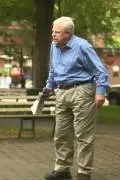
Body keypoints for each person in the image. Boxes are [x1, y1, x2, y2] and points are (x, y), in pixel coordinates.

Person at [43, 17, 108, 180]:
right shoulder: (54, 46)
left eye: (57, 32)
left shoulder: (82, 46)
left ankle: (84, 173)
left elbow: (101, 71)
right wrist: (49, 86)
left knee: (83, 135)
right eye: (52, 31)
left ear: (68, 33)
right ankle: (62, 169)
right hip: (61, 92)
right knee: (61, 134)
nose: (53, 35)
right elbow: (53, 69)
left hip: (82, 91)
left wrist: (100, 92)